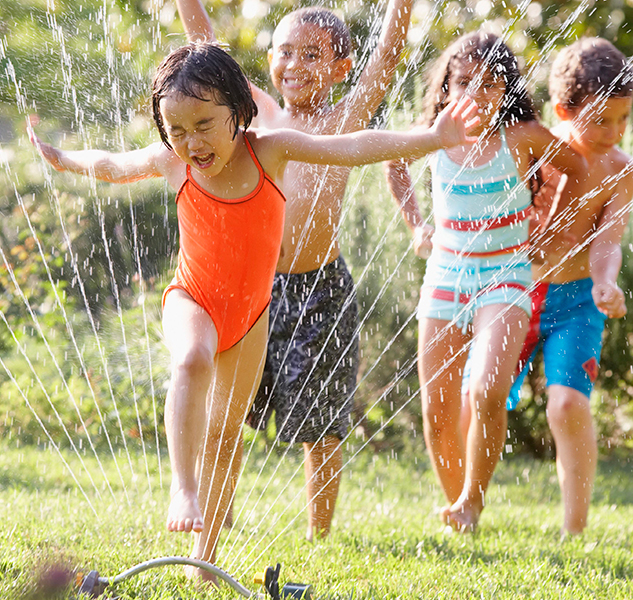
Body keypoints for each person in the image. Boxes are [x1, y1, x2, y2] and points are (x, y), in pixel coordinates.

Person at [31, 42, 479, 581]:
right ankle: (182, 487)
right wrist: (63, 159)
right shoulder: (172, 163)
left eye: (204, 124)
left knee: (226, 436)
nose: (192, 142)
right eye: (176, 129)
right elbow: (109, 164)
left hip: (250, 318)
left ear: (238, 111)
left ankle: (204, 557)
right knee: (192, 358)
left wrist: (432, 138)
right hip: (191, 299)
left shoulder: (271, 151)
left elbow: (354, 145)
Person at [177, 0, 414, 541]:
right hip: (250, 290)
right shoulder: (253, 113)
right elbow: (204, 44)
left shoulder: (343, 120)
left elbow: (389, 54)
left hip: (320, 291)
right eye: (285, 51)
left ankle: (318, 535)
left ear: (340, 68)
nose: (295, 64)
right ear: (268, 58)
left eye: (313, 54)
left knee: (321, 423)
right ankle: (218, 516)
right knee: (225, 414)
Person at [384, 31, 588, 533]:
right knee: (437, 406)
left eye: (492, 85)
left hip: (506, 278)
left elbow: (578, 169)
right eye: (466, 83)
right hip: (446, 276)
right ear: (447, 87)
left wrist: (552, 228)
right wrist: (416, 224)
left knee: (487, 391)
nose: (478, 94)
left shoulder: (523, 139)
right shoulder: (433, 134)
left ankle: (473, 500)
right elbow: (393, 160)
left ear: (507, 90)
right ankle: (458, 509)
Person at [496, 38, 631, 534]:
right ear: (562, 111)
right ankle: (467, 502)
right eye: (601, 120)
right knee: (484, 395)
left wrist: (605, 282)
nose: (614, 133)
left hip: (576, 300)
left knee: (568, 403)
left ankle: (574, 528)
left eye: (624, 120)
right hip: (514, 293)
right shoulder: (536, 153)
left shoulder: (620, 169)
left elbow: (607, 240)